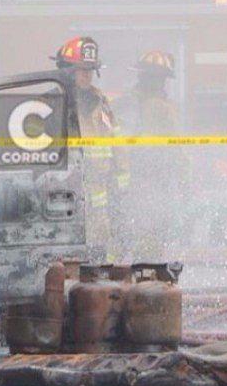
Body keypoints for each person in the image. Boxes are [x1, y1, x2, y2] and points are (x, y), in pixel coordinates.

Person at [53, 36, 129, 262]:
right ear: (67, 71)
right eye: (81, 70)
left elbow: (117, 139)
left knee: (101, 242)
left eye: (90, 70)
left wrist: (122, 178)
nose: (87, 75)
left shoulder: (100, 100)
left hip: (102, 188)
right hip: (66, 190)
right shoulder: (53, 102)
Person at [119, 50, 181, 261]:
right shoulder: (129, 104)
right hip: (139, 178)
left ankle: (151, 273)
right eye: (153, 77)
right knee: (139, 228)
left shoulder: (167, 106)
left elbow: (176, 145)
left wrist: (182, 176)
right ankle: (139, 273)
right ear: (142, 77)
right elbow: (123, 144)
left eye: (161, 78)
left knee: (158, 229)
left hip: (162, 177)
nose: (158, 83)